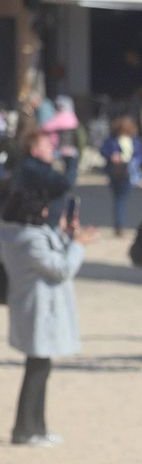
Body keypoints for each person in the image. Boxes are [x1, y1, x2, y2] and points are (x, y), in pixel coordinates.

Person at [3, 178, 90, 445]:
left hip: (37, 309)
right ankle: (25, 429)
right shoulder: (28, 240)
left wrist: (66, 236)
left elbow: (53, 257)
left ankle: (37, 427)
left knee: (40, 367)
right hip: (38, 311)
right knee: (36, 370)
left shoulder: (19, 234)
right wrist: (78, 245)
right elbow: (60, 269)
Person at [99, 116, 142, 236]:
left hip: (128, 172)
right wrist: (112, 156)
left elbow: (139, 156)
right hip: (115, 171)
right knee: (119, 199)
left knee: (120, 199)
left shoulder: (133, 141)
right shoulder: (113, 140)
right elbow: (103, 150)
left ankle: (119, 224)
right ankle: (119, 224)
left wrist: (132, 162)